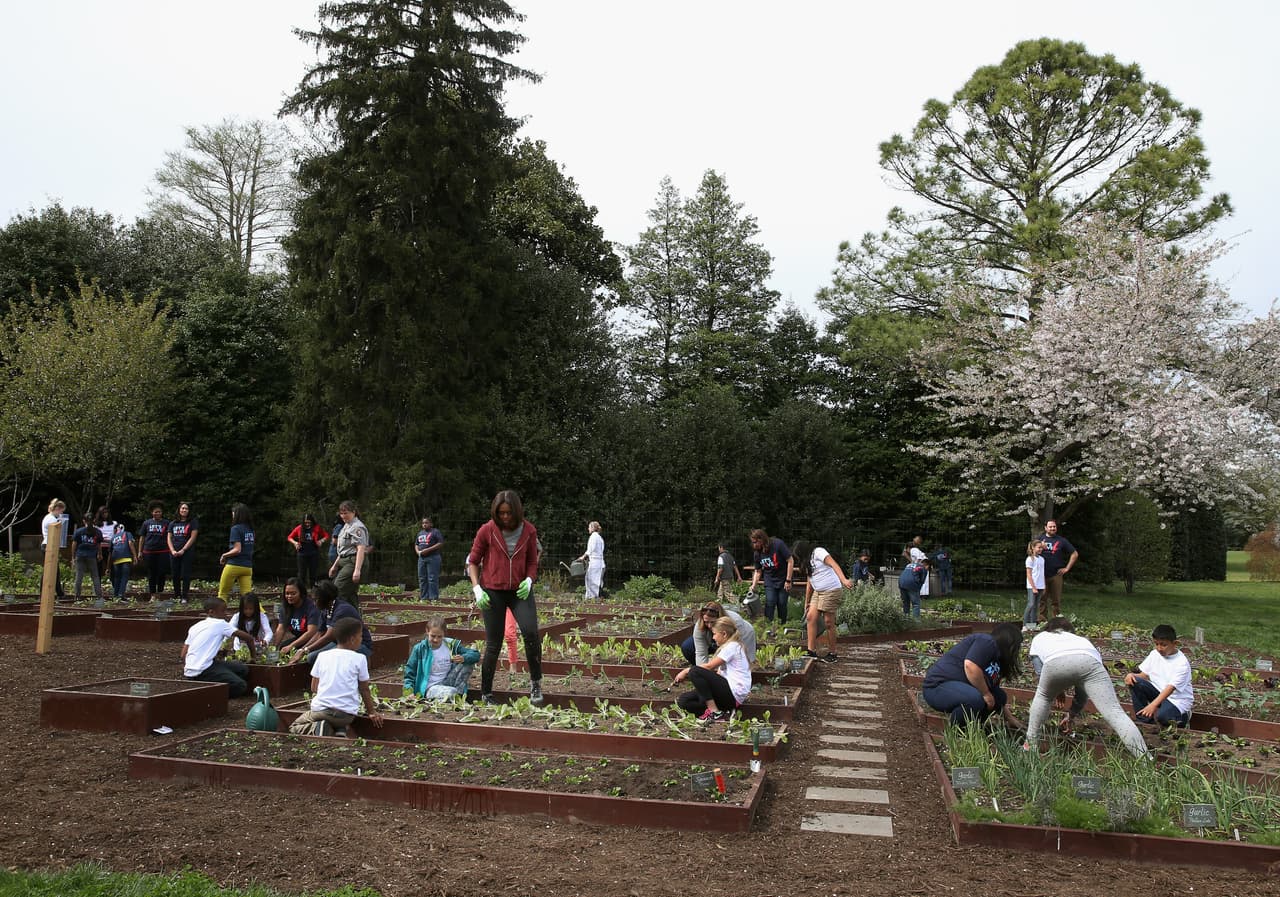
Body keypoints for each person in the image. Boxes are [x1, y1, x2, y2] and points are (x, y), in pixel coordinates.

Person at [1024, 617, 1150, 757]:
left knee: (1043, 696)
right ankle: (1145, 759)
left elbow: (1042, 674)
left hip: (1055, 662)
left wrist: (1058, 691)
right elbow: (1083, 691)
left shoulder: (1040, 637)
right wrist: (1072, 714)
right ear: (1070, 631)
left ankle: (1030, 747)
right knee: (1115, 713)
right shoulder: (1081, 641)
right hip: (1089, 660)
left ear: (1048, 628)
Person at [469, 489, 543, 704]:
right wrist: (477, 589)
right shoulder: (487, 530)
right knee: (494, 642)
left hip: (520, 592)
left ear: (516, 511)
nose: (505, 517)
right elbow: (473, 561)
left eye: (509, 513)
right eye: (501, 513)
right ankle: (486, 692)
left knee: (531, 633)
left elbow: (531, 561)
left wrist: (529, 580)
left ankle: (536, 684)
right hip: (493, 591)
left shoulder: (528, 530)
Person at [287, 617, 384, 737]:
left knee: (294, 727)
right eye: (360, 636)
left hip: (321, 712)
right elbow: (364, 689)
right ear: (352, 639)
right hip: (346, 716)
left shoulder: (322, 656)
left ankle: (318, 728)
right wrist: (372, 712)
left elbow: (314, 688)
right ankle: (339, 730)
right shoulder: (360, 658)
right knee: (336, 717)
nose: (361, 639)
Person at [922, 622, 1023, 728]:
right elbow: (970, 666)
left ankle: (974, 727)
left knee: (999, 696)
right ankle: (956, 731)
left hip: (959, 689)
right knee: (974, 699)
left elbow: (993, 691)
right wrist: (986, 694)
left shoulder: (998, 660)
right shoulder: (987, 641)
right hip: (937, 687)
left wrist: (1010, 719)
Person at [673, 617, 752, 725]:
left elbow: (709, 667)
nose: (713, 638)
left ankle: (714, 712)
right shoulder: (730, 647)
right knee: (684, 701)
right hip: (726, 694)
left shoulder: (732, 646)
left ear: (724, 634)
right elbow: (717, 675)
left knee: (695, 671)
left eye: (714, 634)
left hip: (732, 695)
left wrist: (686, 671)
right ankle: (721, 712)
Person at [181, 596, 257, 697]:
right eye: (223, 611)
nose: (225, 614)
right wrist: (253, 657)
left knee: (242, 669)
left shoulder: (195, 626)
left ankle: (209, 684)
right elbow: (249, 638)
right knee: (240, 686)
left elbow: (183, 655)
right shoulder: (220, 623)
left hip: (190, 671)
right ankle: (210, 695)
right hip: (204, 669)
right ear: (211, 612)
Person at [1125, 624, 1194, 727]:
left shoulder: (1181, 663)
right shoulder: (1154, 654)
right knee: (1135, 681)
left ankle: (1183, 716)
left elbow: (1170, 688)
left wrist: (1153, 705)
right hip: (1159, 692)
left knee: (1164, 718)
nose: (1159, 648)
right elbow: (1144, 675)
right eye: (1156, 644)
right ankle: (1144, 721)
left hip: (1177, 700)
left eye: (1163, 644)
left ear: (1175, 643)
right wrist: (1131, 675)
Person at [793, 541, 852, 663]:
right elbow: (810, 582)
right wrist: (807, 602)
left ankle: (832, 653)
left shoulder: (818, 552)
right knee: (810, 617)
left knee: (828, 622)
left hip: (831, 590)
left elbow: (834, 564)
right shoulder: (806, 563)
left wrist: (844, 580)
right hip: (818, 592)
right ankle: (811, 651)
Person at [293, 579, 374, 664]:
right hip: (340, 643)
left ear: (325, 599)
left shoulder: (342, 610)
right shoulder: (326, 610)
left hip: (358, 644)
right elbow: (319, 634)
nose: (314, 603)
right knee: (311, 657)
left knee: (326, 659)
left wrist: (306, 650)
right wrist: (302, 649)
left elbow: (328, 637)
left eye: (316, 600)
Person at [403, 614, 480, 699]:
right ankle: (455, 697)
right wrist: (409, 692)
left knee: (468, 662)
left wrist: (463, 658)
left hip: (448, 681)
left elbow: (475, 654)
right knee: (451, 692)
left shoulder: (450, 644)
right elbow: (410, 672)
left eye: (439, 637)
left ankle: (457, 696)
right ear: (427, 631)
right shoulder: (420, 649)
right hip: (430, 687)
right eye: (433, 636)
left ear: (444, 634)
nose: (436, 640)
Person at [681, 601, 757, 667]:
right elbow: (701, 653)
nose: (709, 626)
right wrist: (702, 672)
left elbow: (735, 650)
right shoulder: (700, 625)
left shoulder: (735, 621)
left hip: (742, 637)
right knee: (687, 646)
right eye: (706, 622)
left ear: (720, 619)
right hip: (715, 638)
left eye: (712, 622)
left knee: (739, 663)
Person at [746, 528, 794, 624]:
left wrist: (788, 580)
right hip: (770, 580)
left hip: (783, 579)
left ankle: (782, 625)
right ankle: (768, 627)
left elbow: (790, 560)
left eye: (755, 542)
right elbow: (758, 571)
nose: (754, 545)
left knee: (782, 603)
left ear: (761, 539)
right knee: (770, 602)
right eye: (752, 542)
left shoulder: (778, 544)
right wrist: (753, 585)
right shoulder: (757, 553)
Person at [328, 500, 370, 606]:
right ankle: (355, 621)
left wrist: (357, 570)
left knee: (337, 590)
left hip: (353, 562)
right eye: (341, 513)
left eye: (345, 513)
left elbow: (360, 549)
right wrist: (335, 566)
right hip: (345, 560)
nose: (343, 516)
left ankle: (337, 618)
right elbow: (343, 551)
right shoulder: (346, 526)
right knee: (350, 595)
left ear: (353, 512)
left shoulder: (357, 527)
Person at [1038, 519, 1078, 622]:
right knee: (1042, 599)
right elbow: (1031, 553)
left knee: (1056, 600)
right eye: (1050, 526)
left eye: (1054, 526)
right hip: (1042, 574)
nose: (1052, 528)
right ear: (1045, 528)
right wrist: (1040, 548)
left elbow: (1074, 554)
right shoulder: (1039, 539)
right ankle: (1042, 621)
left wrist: (1067, 568)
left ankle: (1057, 622)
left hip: (1056, 574)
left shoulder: (1061, 540)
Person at [275, 578, 322, 654]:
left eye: (293, 593)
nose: (289, 596)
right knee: (282, 647)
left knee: (292, 651)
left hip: (313, 639)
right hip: (299, 638)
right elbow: (281, 629)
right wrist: (274, 648)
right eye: (287, 593)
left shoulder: (311, 607)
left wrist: (291, 646)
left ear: (301, 593)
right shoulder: (285, 607)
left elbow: (311, 632)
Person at [218, 503, 255, 598]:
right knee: (248, 596)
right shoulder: (251, 529)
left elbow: (237, 550)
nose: (232, 515)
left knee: (223, 593)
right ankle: (261, 613)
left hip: (234, 565)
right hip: (247, 567)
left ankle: (218, 613)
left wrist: (224, 555)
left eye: (233, 513)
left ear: (237, 514)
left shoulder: (235, 528)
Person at [286, 513, 329, 592]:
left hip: (313, 553)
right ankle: (301, 590)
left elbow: (326, 535)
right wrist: (295, 543)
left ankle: (313, 589)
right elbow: (289, 537)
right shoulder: (299, 528)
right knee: (301, 573)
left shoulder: (317, 528)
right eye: (305, 522)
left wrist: (321, 541)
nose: (307, 524)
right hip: (302, 553)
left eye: (309, 522)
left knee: (313, 572)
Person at [167, 502, 199, 602]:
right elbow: (169, 538)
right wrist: (172, 550)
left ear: (189, 511)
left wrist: (183, 550)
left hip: (187, 552)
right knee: (175, 574)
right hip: (174, 552)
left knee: (185, 574)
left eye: (186, 509)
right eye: (182, 508)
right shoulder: (172, 523)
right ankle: (177, 595)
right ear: (179, 510)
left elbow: (193, 537)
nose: (184, 510)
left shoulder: (193, 522)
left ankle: (184, 596)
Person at [138, 502, 170, 600]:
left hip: (163, 551)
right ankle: (152, 594)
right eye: (155, 512)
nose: (157, 513)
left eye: (159, 512)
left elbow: (170, 537)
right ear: (152, 513)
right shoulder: (146, 523)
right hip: (149, 551)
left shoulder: (167, 523)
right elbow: (142, 537)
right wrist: (140, 551)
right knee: (151, 573)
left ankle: (159, 592)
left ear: (162, 512)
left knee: (162, 572)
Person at [39, 499, 71, 598]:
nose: (61, 513)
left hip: (49, 544)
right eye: (61, 511)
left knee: (53, 570)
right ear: (57, 509)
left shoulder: (49, 517)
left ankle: (57, 592)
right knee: (51, 570)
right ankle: (54, 592)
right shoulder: (52, 519)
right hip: (49, 545)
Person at [71, 513, 104, 600]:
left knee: (79, 576)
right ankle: (99, 596)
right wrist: (100, 554)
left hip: (80, 555)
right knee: (95, 576)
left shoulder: (79, 531)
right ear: (94, 520)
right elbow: (98, 545)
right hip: (92, 556)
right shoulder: (98, 532)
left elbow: (74, 544)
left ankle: (77, 596)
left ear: (83, 521)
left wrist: (73, 557)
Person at [413, 516, 444, 601]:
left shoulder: (435, 532)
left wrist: (428, 550)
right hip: (421, 558)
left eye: (426, 523)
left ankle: (434, 598)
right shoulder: (420, 533)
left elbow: (440, 543)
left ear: (431, 524)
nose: (424, 524)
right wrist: (417, 552)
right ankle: (424, 598)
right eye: (423, 523)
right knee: (422, 578)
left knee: (432, 578)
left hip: (433, 557)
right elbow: (416, 544)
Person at [576, 521, 605, 600]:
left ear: (592, 528)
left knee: (591, 580)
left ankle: (591, 598)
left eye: (589, 527)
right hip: (601, 563)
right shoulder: (599, 537)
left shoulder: (593, 537)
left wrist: (583, 557)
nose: (588, 528)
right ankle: (598, 597)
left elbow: (590, 550)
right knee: (598, 581)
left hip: (595, 563)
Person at [109, 523, 137, 600]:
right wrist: (135, 555)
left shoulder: (113, 537)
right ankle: (121, 594)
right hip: (126, 558)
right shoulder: (127, 533)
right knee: (124, 577)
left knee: (117, 578)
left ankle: (115, 595)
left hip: (116, 559)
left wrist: (108, 565)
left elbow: (110, 552)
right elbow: (130, 543)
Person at [1023, 540, 1045, 633]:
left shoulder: (1042, 559)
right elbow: (1029, 574)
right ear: (1033, 548)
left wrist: (1044, 585)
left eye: (1041, 547)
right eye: (1038, 547)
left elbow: (1042, 573)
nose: (1040, 549)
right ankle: (1024, 624)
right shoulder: (1030, 559)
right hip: (1032, 586)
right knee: (1031, 604)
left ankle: (1032, 625)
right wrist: (1034, 587)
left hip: (1040, 585)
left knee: (1036, 606)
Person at [712, 542, 742, 606]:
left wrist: (717, 578)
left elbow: (720, 569)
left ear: (721, 547)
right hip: (730, 577)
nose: (719, 550)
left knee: (728, 593)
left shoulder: (721, 557)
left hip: (725, 577)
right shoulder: (730, 556)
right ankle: (717, 606)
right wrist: (739, 576)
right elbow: (735, 567)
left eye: (719, 548)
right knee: (720, 593)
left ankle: (739, 605)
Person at [94, 506, 118, 579]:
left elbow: (117, 535)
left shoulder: (114, 523)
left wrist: (110, 540)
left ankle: (114, 585)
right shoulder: (95, 523)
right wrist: (103, 539)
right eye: (103, 513)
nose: (105, 514)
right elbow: (95, 536)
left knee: (112, 567)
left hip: (110, 547)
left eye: (106, 512)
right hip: (99, 547)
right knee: (98, 568)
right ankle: (98, 587)